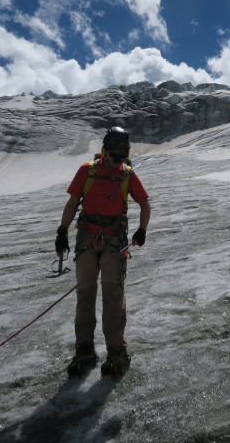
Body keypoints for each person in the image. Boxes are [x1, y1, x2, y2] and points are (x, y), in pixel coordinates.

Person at [55, 126, 151, 377]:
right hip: (87, 237)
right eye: (114, 155)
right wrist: (62, 231)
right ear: (104, 151)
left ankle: (117, 352)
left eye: (123, 155)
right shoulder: (87, 172)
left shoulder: (127, 175)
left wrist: (142, 230)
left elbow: (144, 203)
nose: (118, 160)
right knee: (85, 295)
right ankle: (84, 350)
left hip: (114, 240)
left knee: (112, 296)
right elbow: (73, 202)